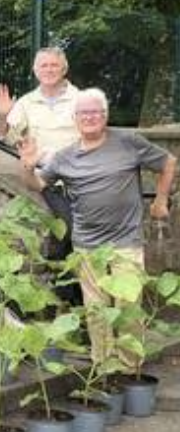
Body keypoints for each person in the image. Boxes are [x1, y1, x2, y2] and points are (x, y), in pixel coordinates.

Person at [19, 87, 176, 368]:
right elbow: (38, 185)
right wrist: (28, 167)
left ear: (105, 115)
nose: (90, 117)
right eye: (84, 113)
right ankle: (102, 367)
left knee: (128, 308)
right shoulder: (65, 156)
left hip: (126, 240)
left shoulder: (128, 142)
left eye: (95, 112)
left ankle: (129, 369)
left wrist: (161, 201)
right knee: (96, 311)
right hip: (87, 244)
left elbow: (168, 162)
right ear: (75, 118)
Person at [0, 46, 81, 301]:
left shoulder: (81, 99)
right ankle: (70, 297)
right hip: (47, 178)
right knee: (71, 231)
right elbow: (3, 137)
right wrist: (1, 116)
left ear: (64, 69)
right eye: (43, 66)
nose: (49, 70)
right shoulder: (27, 102)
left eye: (54, 65)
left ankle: (70, 295)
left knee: (72, 236)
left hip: (81, 174)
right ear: (35, 70)